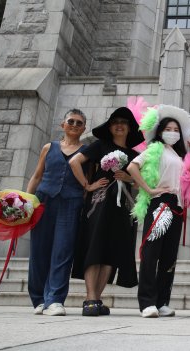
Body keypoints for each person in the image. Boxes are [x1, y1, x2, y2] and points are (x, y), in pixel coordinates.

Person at [69, 107, 144, 316]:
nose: (119, 125)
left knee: (112, 252)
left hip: (123, 208)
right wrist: (87, 185)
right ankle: (89, 298)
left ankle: (98, 298)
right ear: (110, 127)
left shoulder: (135, 155)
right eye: (115, 122)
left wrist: (128, 178)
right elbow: (74, 161)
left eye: (124, 122)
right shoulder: (100, 146)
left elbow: (143, 183)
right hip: (99, 205)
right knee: (95, 248)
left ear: (130, 128)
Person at [127, 105, 190, 318]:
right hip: (160, 203)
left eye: (176, 130)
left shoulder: (178, 154)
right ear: (161, 131)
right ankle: (147, 302)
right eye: (169, 128)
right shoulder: (155, 149)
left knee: (169, 256)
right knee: (152, 253)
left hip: (177, 207)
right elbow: (132, 167)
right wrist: (148, 189)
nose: (173, 132)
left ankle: (162, 300)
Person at [26, 109, 90, 316]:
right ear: (63, 124)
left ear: (84, 128)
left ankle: (54, 299)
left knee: (63, 252)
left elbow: (87, 181)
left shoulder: (87, 152)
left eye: (79, 123)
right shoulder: (49, 147)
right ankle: (38, 299)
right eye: (71, 121)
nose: (74, 125)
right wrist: (27, 202)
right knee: (39, 251)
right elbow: (36, 177)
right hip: (44, 202)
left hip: (71, 204)